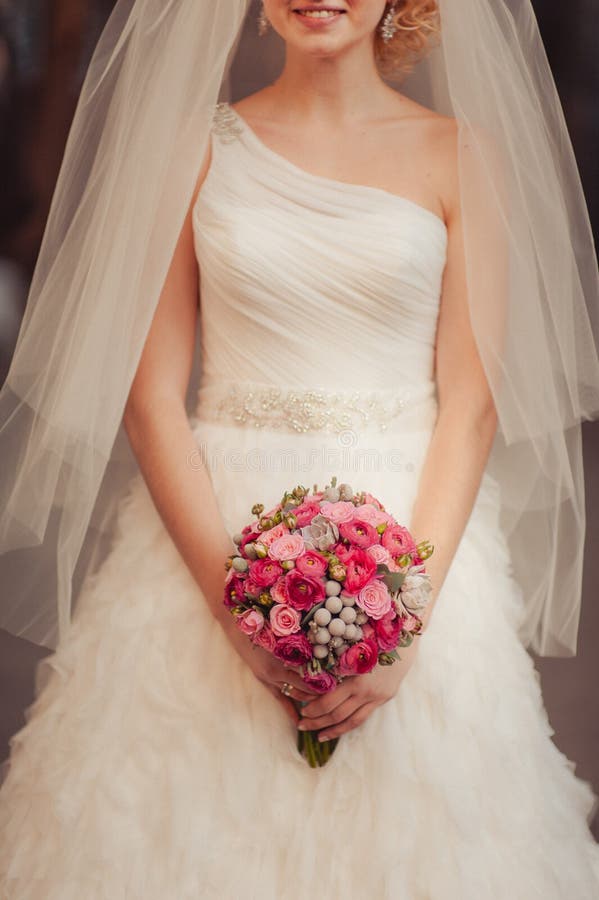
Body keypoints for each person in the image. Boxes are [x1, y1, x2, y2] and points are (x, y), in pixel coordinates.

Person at [0, 0, 598, 896]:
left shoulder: (462, 155)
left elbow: (470, 404)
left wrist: (405, 618)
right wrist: (238, 613)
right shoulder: (190, 148)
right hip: (213, 530)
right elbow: (150, 399)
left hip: (411, 532)